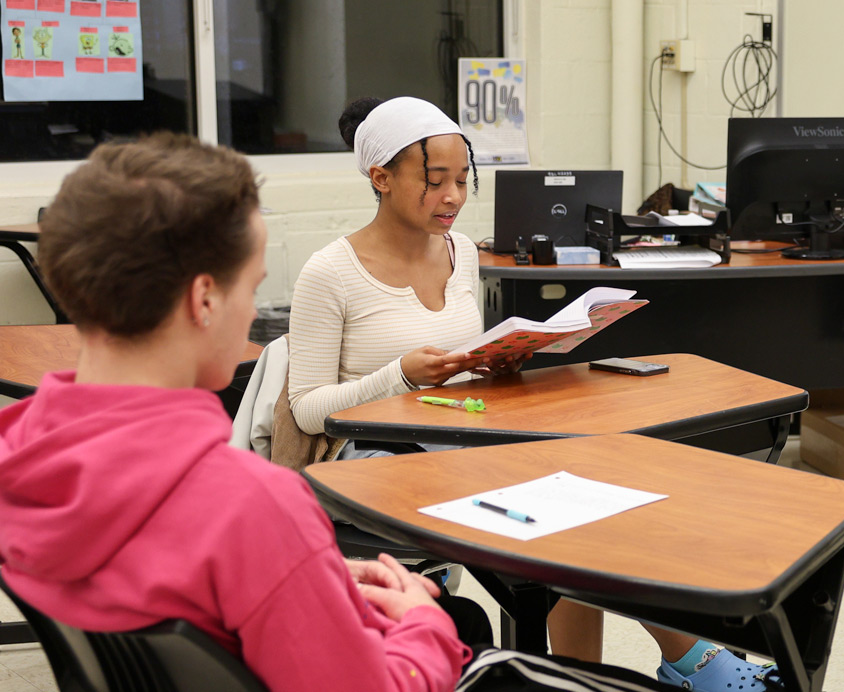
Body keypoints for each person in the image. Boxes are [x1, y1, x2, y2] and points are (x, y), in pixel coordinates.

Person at [0, 133, 679, 692]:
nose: (255, 325)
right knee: (470, 628)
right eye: (252, 288)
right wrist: (420, 622)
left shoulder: (20, 458)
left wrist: (303, 575)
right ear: (204, 300)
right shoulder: (250, 509)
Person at [287, 96, 776, 690]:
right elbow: (307, 408)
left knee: (584, 494)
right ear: (381, 179)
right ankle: (695, 662)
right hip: (370, 459)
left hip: (457, 434)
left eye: (463, 181)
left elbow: (461, 369)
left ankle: (591, 677)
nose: (453, 198)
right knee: (564, 524)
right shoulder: (329, 272)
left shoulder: (458, 251)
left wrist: (504, 358)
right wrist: (402, 376)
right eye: (435, 181)